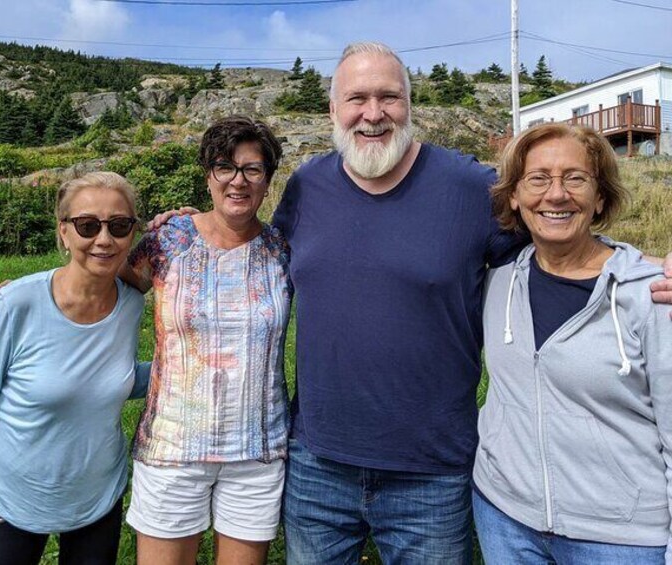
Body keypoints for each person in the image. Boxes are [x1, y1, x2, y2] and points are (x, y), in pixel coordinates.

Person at [271, 42, 672, 564]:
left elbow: (560, 235)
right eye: (357, 98)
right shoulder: (305, 186)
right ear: (333, 110)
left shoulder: (469, 188)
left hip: (433, 472)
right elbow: (254, 258)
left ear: (410, 105)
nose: (373, 113)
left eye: (389, 97)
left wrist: (650, 266)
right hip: (317, 464)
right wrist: (181, 233)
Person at [0, 116, 291, 565]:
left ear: (266, 180)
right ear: (208, 176)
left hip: (257, 451)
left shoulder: (284, 249)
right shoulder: (167, 239)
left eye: (252, 169)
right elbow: (96, 278)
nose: (237, 181)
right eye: (225, 167)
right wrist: (17, 296)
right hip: (172, 450)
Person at [473, 123, 672, 563]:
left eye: (575, 178)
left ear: (600, 196)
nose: (556, 195)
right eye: (538, 179)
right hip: (504, 519)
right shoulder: (495, 285)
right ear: (514, 196)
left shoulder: (652, 295)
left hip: (621, 539)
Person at [0, 172, 148, 564]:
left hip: (97, 496)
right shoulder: (14, 304)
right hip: (12, 497)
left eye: (119, 226)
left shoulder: (131, 303)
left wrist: (191, 367)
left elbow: (112, 377)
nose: (104, 239)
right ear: (64, 232)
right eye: (88, 225)